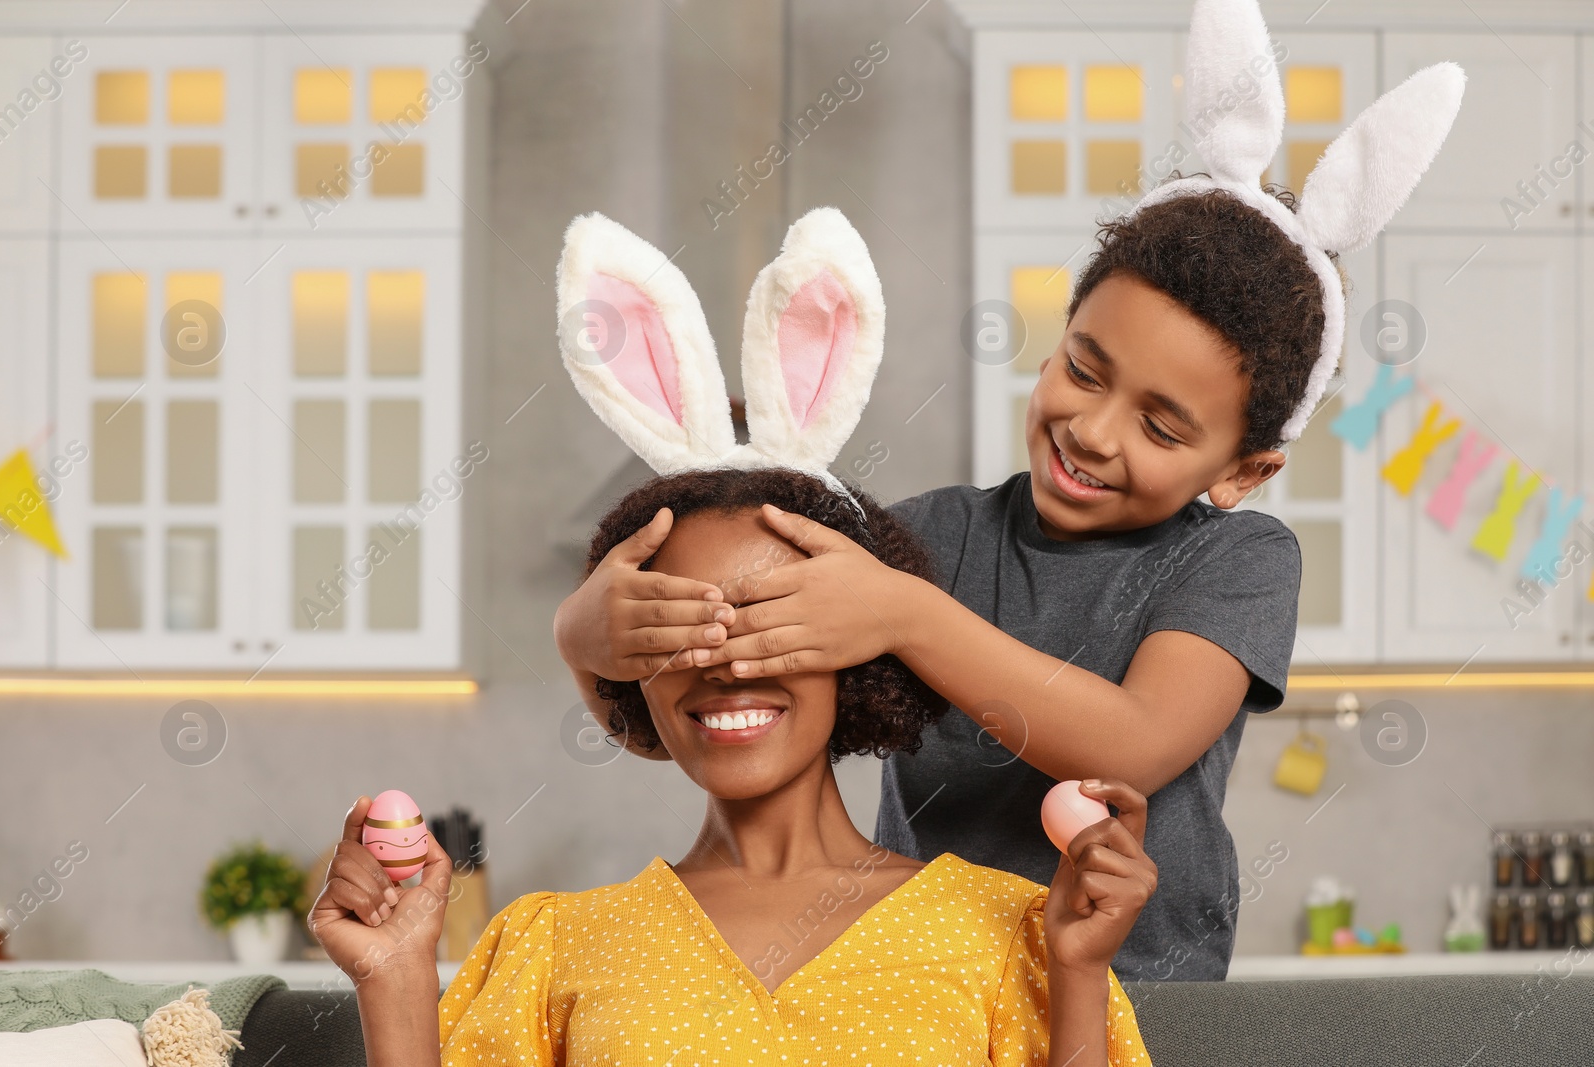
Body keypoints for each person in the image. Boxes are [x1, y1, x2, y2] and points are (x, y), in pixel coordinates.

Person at [554, 0, 1465, 981]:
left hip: (1147, 1011)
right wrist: (586, 637)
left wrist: (903, 613)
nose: (1093, 428)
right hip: (936, 1001)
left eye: (1160, 426)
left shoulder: (1235, 560)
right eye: (1083, 367)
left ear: (1243, 470)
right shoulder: (928, 534)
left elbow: (1136, 742)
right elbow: (736, 720)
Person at [310, 469, 1157, 1067]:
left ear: (855, 652)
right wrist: (393, 980)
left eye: (769, 625)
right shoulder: (548, 944)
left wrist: (1080, 971)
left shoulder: (1015, 928)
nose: (726, 665)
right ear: (634, 673)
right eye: (679, 631)